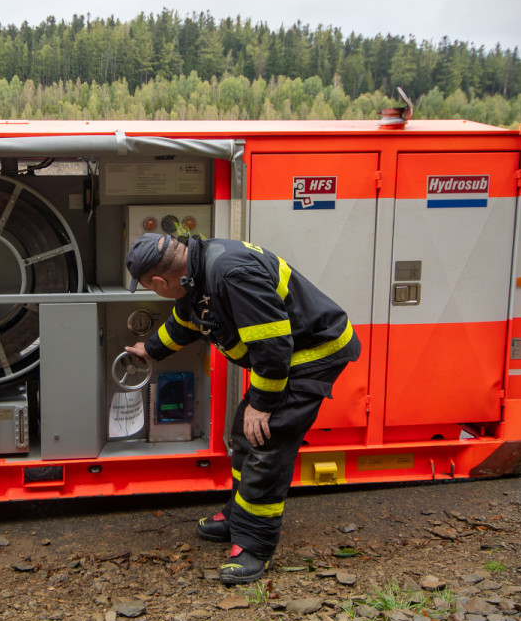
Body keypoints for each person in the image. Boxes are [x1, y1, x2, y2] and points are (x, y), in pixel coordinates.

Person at [123, 232, 360, 585]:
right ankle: (238, 516)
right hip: (284, 357)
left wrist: (262, 406)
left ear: (160, 282)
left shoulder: (232, 274)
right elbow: (189, 319)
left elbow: (273, 346)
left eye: (148, 288)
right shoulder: (198, 267)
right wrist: (152, 349)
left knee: (266, 440)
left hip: (312, 355)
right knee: (244, 433)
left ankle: (254, 546)